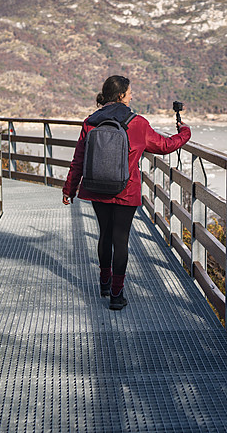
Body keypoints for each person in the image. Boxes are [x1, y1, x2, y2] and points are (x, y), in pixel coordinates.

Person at [62, 75, 191, 310]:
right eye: (130, 92)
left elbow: (78, 159)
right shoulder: (137, 123)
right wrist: (185, 133)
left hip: (96, 188)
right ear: (121, 95)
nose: (132, 95)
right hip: (126, 190)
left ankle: (103, 282)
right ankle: (117, 294)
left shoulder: (90, 121)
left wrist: (69, 188)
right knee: (121, 240)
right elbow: (164, 146)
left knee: (105, 235)